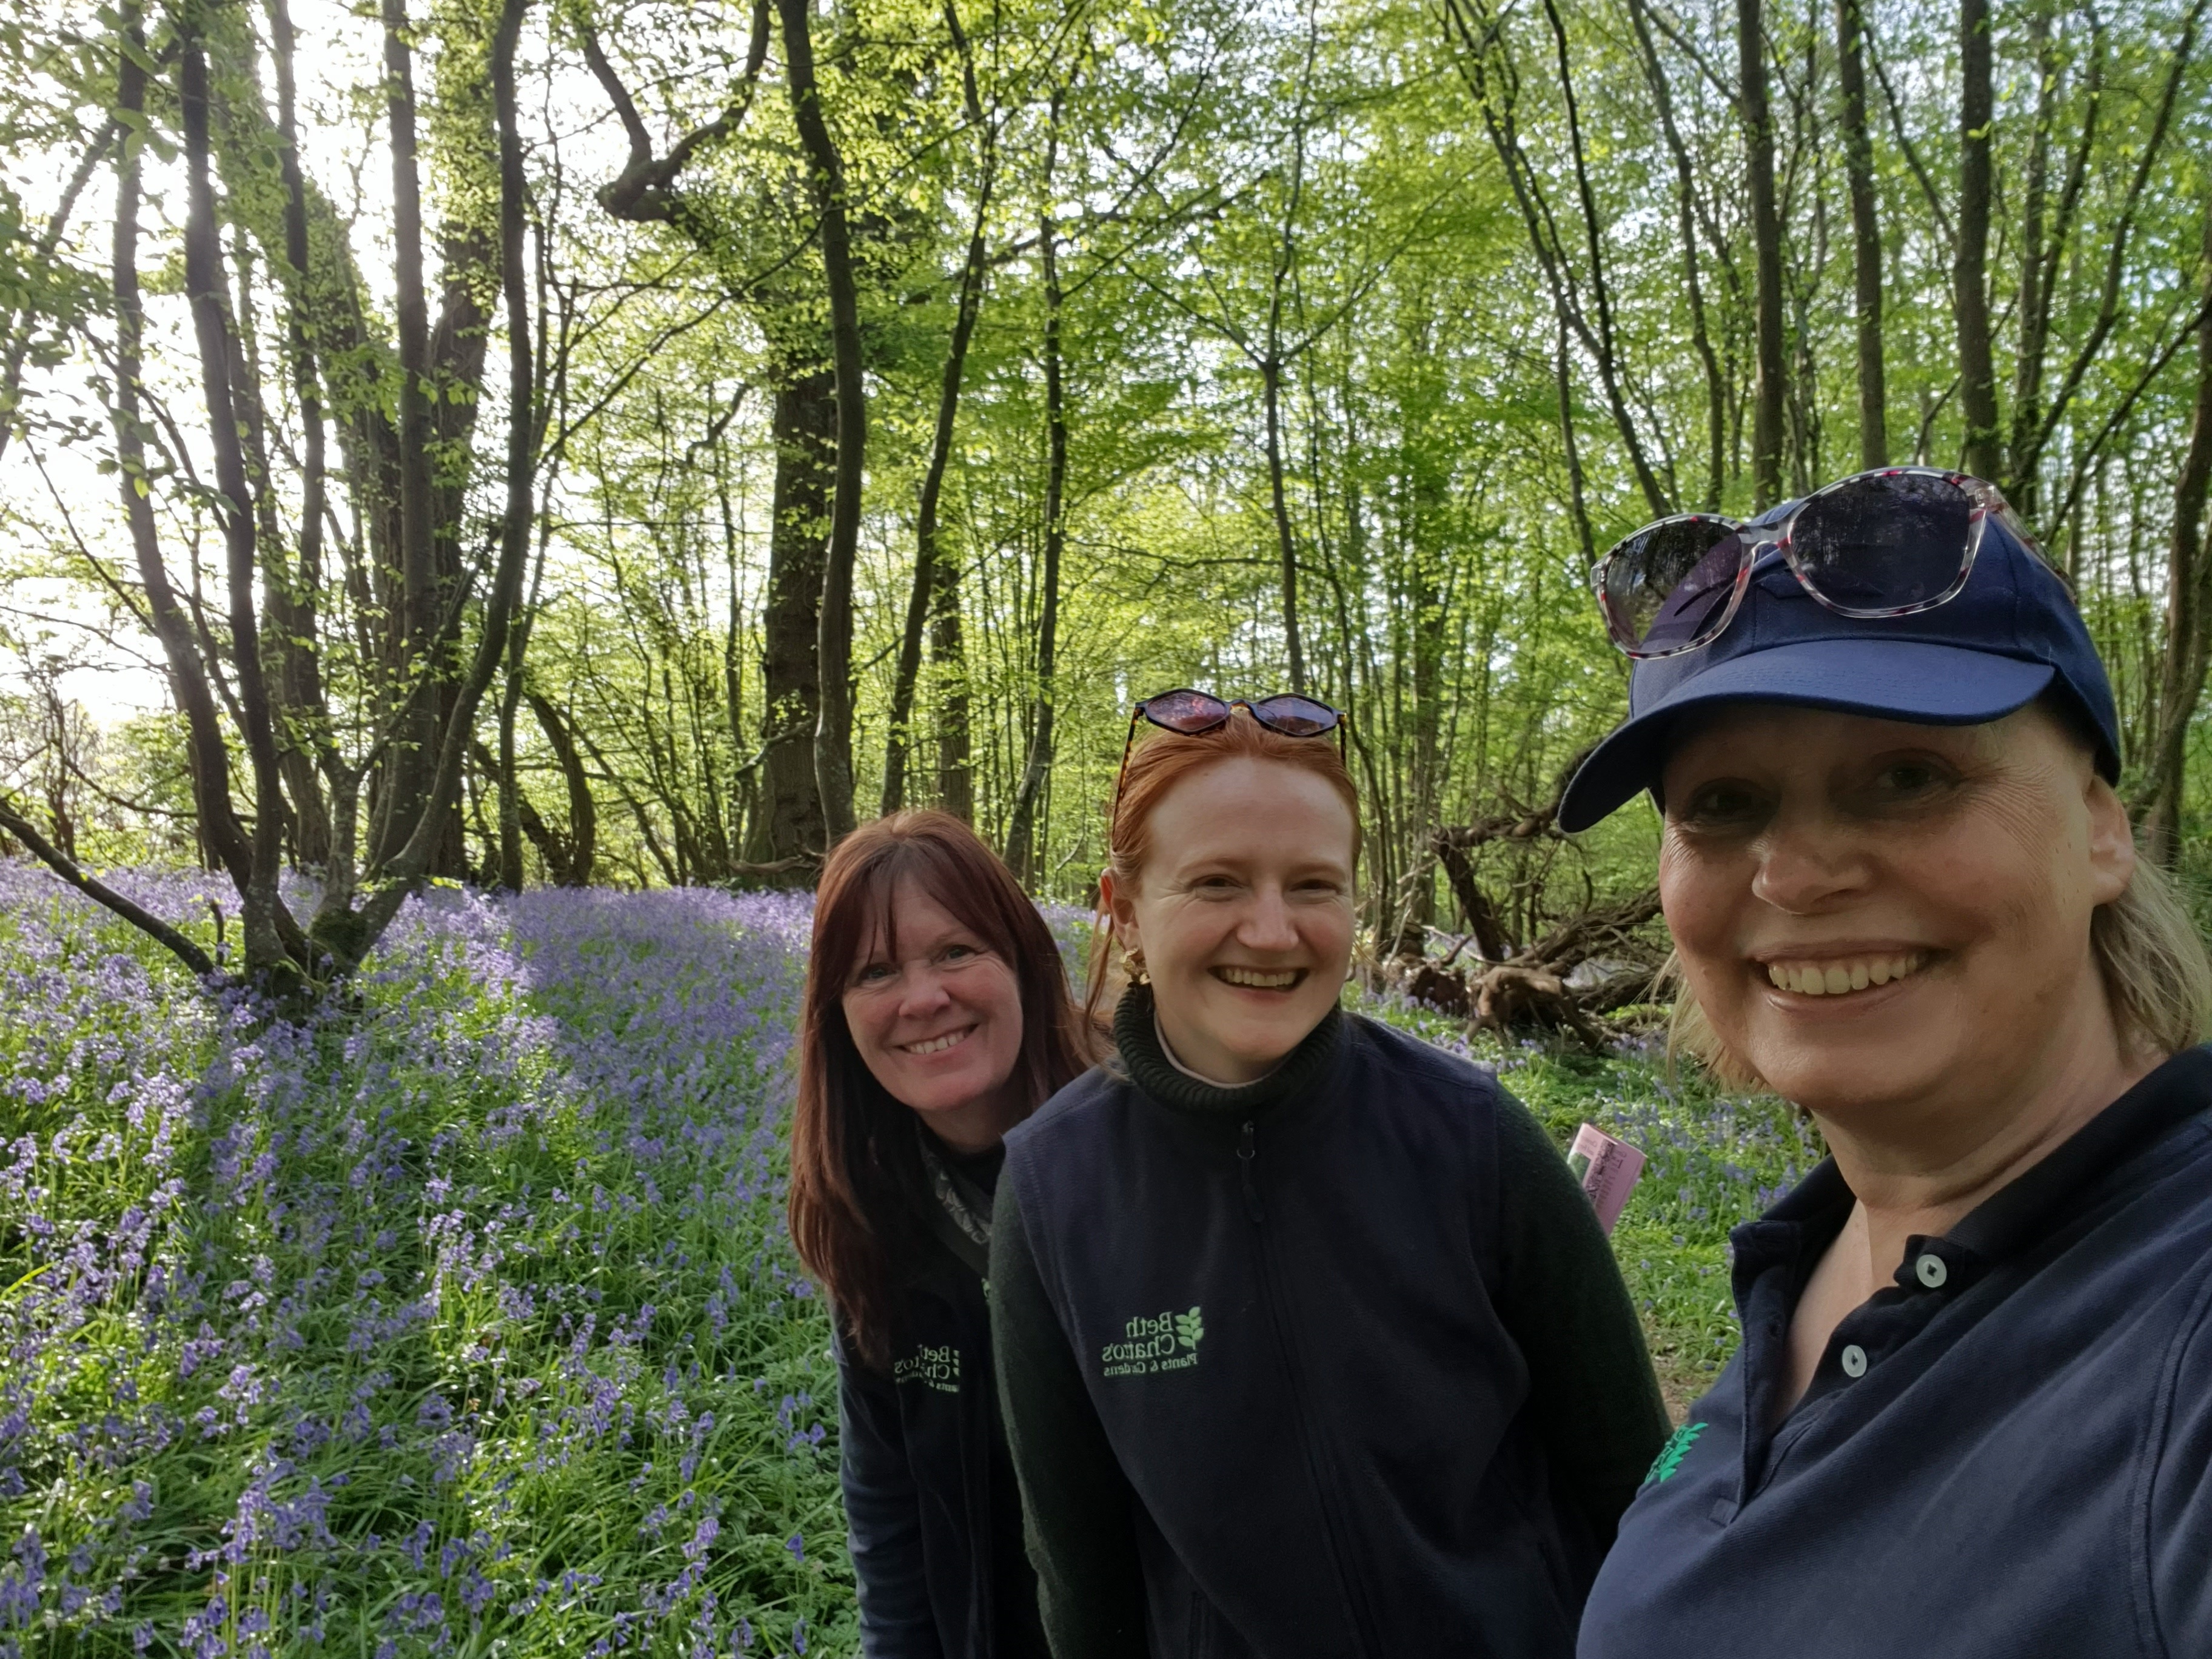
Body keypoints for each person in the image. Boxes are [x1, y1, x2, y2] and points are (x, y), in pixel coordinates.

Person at [1560, 468, 2212, 1658]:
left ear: (2102, 824)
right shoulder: (1802, 1269)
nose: (1795, 875)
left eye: (1908, 778)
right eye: (1724, 802)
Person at [988, 691, 1672, 1659]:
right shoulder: (1056, 1192)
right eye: (1218, 883)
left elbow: (1633, 1484)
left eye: (1313, 886)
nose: (1271, 932)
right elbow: (1081, 1575)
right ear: (1125, 909)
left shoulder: (1473, 1138)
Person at [788, 811, 1098, 1658]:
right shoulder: (873, 1219)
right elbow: (889, 1535)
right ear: (839, 1015)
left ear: (1025, 961)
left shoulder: (1149, 1158)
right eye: (875, 971)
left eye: (957, 951)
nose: (923, 1000)